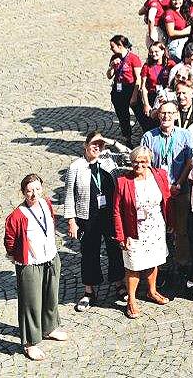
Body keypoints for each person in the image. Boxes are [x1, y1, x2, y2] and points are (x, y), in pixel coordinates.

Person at [5, 174, 68, 360]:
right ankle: (30, 342)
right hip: (30, 264)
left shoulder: (46, 204)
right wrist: (16, 255)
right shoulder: (18, 215)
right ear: (23, 192)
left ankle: (49, 328)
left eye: (37, 189)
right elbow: (10, 240)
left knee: (51, 296)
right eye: (30, 191)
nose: (34, 194)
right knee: (30, 303)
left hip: (50, 258)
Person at [62, 132, 124, 311]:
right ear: (85, 145)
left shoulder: (109, 160)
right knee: (89, 252)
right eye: (93, 144)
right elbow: (69, 195)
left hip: (109, 214)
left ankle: (119, 283)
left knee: (115, 249)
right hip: (87, 216)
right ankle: (89, 291)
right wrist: (71, 221)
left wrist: (110, 141)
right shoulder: (76, 166)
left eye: (100, 144)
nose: (97, 147)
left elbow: (128, 154)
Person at [112, 147, 171, 319]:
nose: (139, 165)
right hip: (133, 230)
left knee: (154, 260)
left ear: (149, 161)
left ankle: (152, 291)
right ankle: (131, 300)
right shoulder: (123, 182)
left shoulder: (160, 175)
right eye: (135, 161)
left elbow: (167, 199)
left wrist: (171, 222)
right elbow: (116, 211)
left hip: (155, 227)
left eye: (143, 161)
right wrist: (120, 235)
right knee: (133, 265)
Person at [108, 35, 143, 144]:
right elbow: (109, 76)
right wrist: (112, 66)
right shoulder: (114, 58)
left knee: (140, 114)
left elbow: (138, 78)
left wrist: (134, 96)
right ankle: (127, 137)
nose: (111, 49)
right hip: (118, 90)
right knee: (122, 115)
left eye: (112, 47)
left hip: (131, 89)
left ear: (120, 46)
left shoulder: (133, 58)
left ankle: (147, 134)